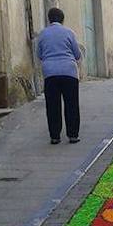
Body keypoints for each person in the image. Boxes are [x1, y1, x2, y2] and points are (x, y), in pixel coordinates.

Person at [37, 8, 82, 145]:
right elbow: (77, 54)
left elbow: (39, 54)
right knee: (71, 104)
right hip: (69, 72)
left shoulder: (43, 34)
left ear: (49, 19)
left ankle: (55, 136)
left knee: (52, 105)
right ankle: (73, 135)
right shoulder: (69, 33)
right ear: (62, 19)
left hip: (50, 73)